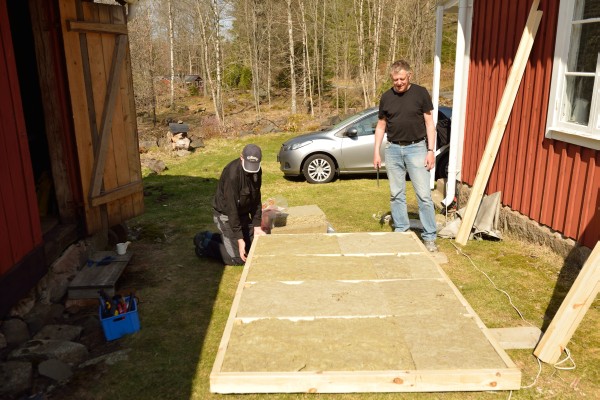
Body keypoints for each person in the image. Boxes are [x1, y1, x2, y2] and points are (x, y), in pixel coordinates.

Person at [373, 60, 438, 252]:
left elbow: (429, 124)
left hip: (417, 148)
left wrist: (430, 151)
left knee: (424, 196)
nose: (399, 83)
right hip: (393, 149)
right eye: (395, 80)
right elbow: (381, 126)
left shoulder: (421, 93)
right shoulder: (386, 97)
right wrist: (376, 151)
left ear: (409, 76)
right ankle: (401, 231)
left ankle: (429, 237)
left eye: (402, 79)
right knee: (396, 194)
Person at [194, 144, 267, 265]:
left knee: (254, 246)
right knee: (239, 258)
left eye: (254, 166)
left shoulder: (257, 171)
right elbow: (231, 209)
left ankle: (214, 237)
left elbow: (256, 198)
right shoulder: (232, 175)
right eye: (249, 165)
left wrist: (257, 226)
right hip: (226, 216)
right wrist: (239, 239)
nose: (251, 169)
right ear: (241, 157)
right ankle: (204, 244)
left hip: (242, 214)